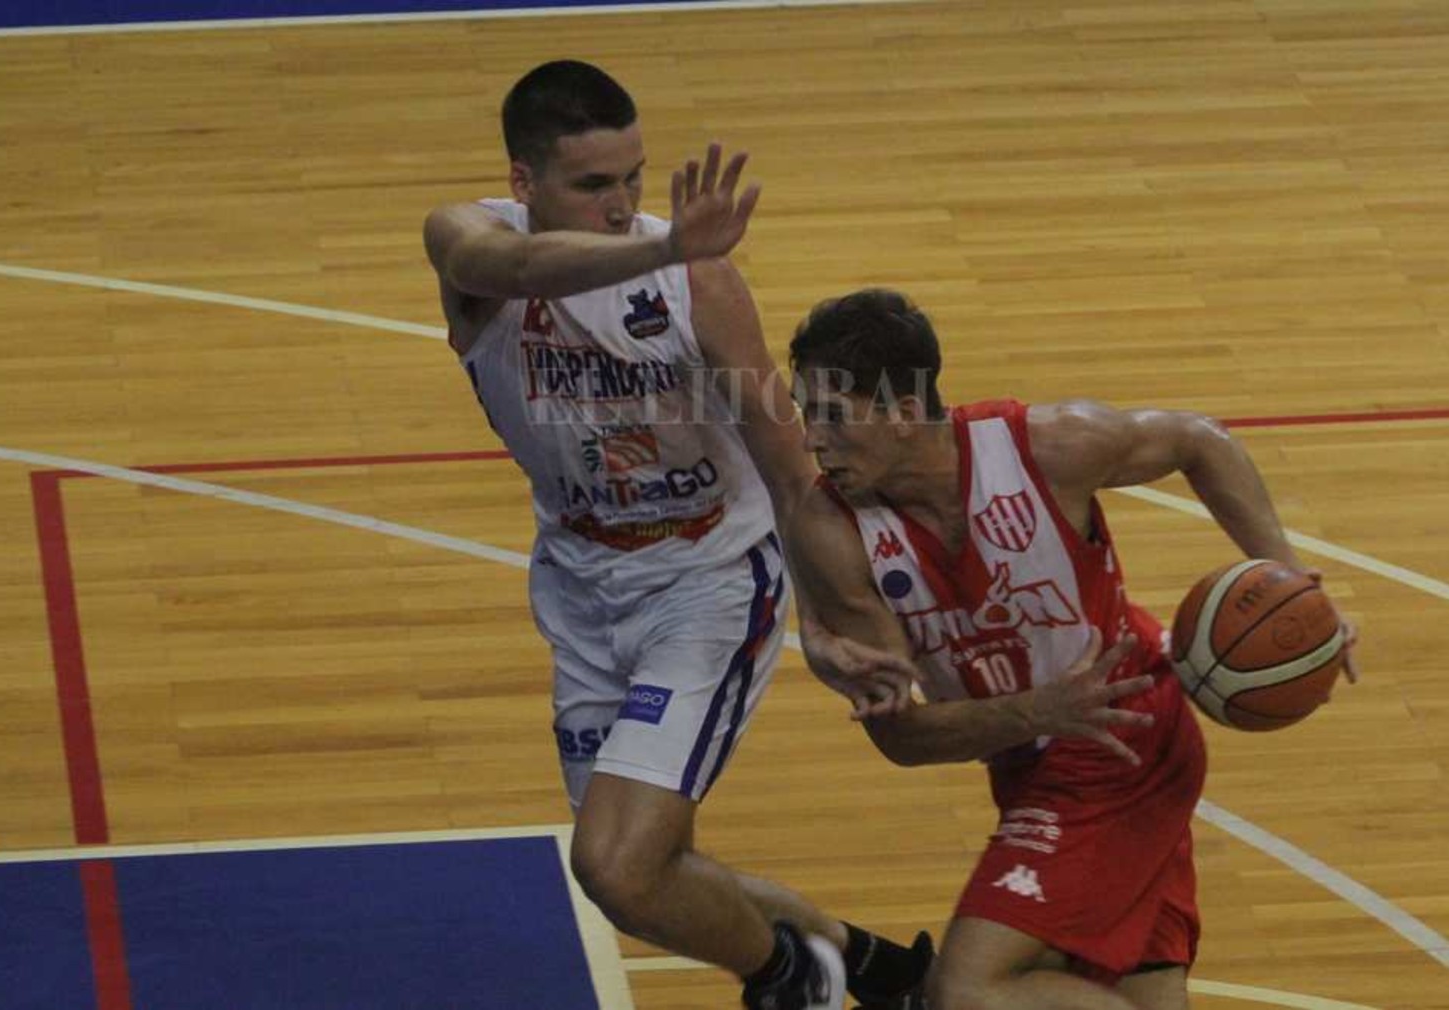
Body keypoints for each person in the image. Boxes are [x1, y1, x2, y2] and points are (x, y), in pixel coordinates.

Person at [422, 62, 932, 1010]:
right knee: (644, 878)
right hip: (579, 587)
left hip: (708, 580)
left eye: (632, 179)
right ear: (523, 181)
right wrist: (654, 255)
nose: (621, 207)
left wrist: (824, 614)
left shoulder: (696, 278)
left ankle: (793, 984)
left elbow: (787, 465)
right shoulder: (468, 240)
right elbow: (514, 267)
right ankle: (874, 970)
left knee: (617, 863)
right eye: (591, 184)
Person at [783, 289, 1359, 1009]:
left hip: (1121, 740)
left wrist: (1293, 580)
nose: (812, 440)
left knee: (964, 992)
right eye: (806, 415)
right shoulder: (832, 530)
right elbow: (899, 738)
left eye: (833, 417)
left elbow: (1199, 440)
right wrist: (1037, 712)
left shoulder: (1048, 447)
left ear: (902, 411)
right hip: (1030, 754)